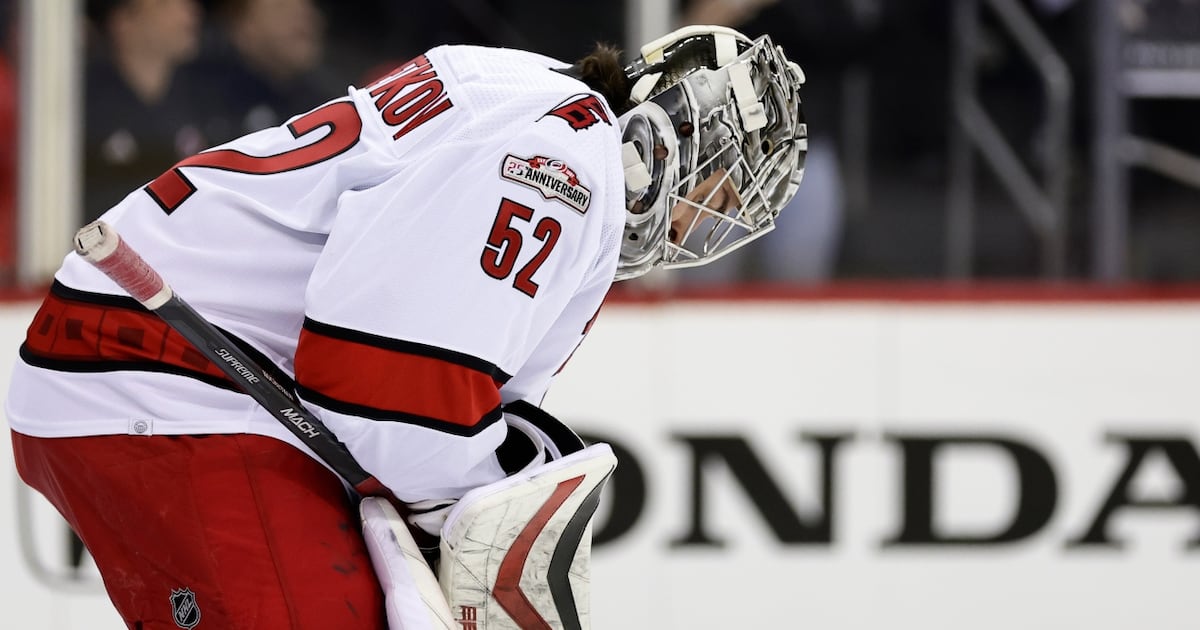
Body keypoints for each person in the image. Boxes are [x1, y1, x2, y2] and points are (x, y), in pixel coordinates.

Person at [7, 24, 806, 628]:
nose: (710, 218)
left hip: (159, 366)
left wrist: (462, 495)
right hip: (164, 376)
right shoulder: (562, 166)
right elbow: (385, 384)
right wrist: (469, 517)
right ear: (666, 130)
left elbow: (412, 389)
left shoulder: (529, 95)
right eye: (721, 185)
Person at [82, 0, 208, 224]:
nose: (189, 13)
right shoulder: (80, 103)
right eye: (165, 4)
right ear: (123, 22)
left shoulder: (207, 96)